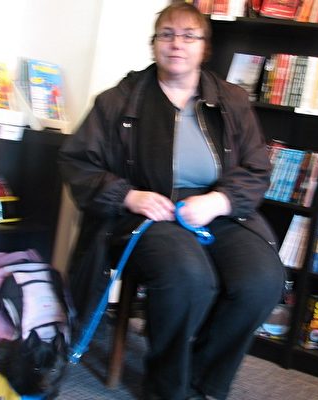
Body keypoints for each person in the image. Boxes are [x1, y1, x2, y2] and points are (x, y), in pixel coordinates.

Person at [58, 3, 285, 399]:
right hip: (147, 217)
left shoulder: (232, 101)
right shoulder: (118, 101)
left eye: (189, 36)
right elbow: (77, 161)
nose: (177, 44)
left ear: (205, 48)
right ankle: (166, 389)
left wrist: (219, 202)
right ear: (154, 44)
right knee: (188, 277)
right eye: (167, 34)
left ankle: (202, 383)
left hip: (218, 212)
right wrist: (130, 195)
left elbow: (256, 168)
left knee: (262, 282)